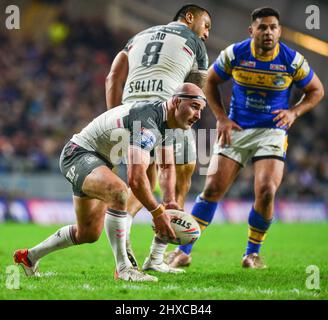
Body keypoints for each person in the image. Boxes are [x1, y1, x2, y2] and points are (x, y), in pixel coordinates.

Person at [166, 7, 324, 269]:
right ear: (251, 31)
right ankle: (184, 251)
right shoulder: (235, 53)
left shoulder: (291, 60)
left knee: (266, 191)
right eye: (262, 27)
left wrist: (294, 112)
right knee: (213, 190)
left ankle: (252, 253)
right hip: (237, 128)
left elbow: (316, 90)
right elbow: (210, 82)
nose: (268, 32)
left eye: (273, 27)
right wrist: (221, 118)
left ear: (279, 31)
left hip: (271, 132)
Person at [13, 83, 207, 282]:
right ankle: (124, 269)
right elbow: (135, 177)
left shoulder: (168, 126)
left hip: (100, 162)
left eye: (201, 110)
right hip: (79, 154)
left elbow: (163, 167)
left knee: (87, 233)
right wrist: (157, 212)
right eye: (194, 106)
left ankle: (29, 257)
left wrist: (170, 201)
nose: (198, 115)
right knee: (119, 191)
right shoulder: (148, 119)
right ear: (176, 101)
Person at [105, 4, 211, 273]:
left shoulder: (138, 36)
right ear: (189, 18)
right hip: (165, 110)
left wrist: (115, 115)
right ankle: (157, 256)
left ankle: (125, 239)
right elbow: (193, 96)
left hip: (129, 110)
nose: (207, 33)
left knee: (145, 181)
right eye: (206, 25)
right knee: (183, 167)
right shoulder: (196, 42)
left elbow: (113, 77)